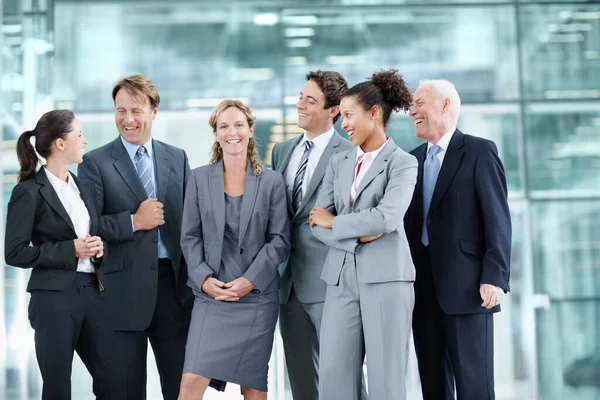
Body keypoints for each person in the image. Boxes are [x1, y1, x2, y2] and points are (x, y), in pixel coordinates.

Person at [78, 74, 193, 400]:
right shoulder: (95, 163)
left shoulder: (177, 157)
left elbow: (190, 225)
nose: (128, 119)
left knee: (182, 389)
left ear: (154, 111)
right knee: (125, 391)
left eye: (136, 110)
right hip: (119, 294)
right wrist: (133, 222)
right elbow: (88, 226)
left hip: (174, 293)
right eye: (120, 110)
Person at [310, 69, 417, 400]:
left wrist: (337, 224)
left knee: (386, 381)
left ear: (374, 114)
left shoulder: (403, 163)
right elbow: (316, 221)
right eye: (341, 117)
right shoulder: (339, 162)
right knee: (333, 378)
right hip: (341, 279)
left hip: (387, 279)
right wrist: (355, 233)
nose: (344, 125)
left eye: (349, 115)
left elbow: (386, 218)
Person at [4, 110, 126, 399]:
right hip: (53, 298)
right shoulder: (29, 191)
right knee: (58, 387)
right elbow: (15, 253)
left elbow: (90, 237)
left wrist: (97, 249)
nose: (84, 141)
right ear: (60, 143)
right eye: (79, 134)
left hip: (92, 292)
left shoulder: (83, 187)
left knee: (115, 377)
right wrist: (70, 249)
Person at [404, 79, 511, 400]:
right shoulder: (411, 160)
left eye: (419, 103)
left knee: (474, 386)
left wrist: (494, 276)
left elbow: (498, 218)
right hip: (421, 291)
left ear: (445, 104)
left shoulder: (479, 150)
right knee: (433, 387)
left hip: (468, 290)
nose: (411, 111)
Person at [178, 100, 291, 400]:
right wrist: (203, 280)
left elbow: (279, 240)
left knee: (253, 387)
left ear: (251, 130)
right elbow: (189, 237)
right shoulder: (199, 178)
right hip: (211, 297)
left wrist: (250, 280)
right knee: (191, 380)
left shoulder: (271, 182)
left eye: (239, 124)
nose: (232, 132)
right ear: (215, 134)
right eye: (224, 126)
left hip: (256, 299)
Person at [271, 70, 367, 400]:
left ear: (334, 111)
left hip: (331, 283)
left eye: (310, 101)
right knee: (301, 382)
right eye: (300, 97)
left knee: (344, 379)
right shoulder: (281, 152)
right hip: (288, 285)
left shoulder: (350, 153)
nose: (300, 105)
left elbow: (356, 217)